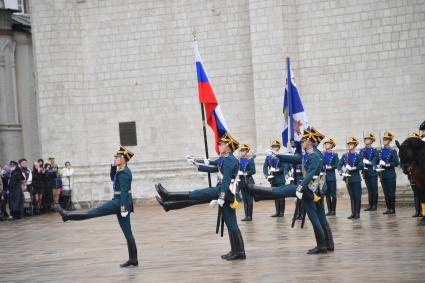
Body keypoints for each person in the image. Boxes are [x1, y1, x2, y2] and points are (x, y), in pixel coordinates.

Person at [155, 133, 246, 261]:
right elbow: (213, 166)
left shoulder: (230, 160)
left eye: (222, 144)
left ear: (229, 147)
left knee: (197, 194)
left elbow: (226, 180)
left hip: (224, 191)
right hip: (224, 192)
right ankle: (237, 251)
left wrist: (221, 196)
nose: (219, 145)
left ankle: (168, 195)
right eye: (219, 143)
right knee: (231, 223)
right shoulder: (224, 158)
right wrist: (195, 162)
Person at [248, 127, 334, 254]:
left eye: (303, 140)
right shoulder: (312, 154)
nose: (301, 143)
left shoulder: (315, 155)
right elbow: (295, 159)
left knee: (287, 193)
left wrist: (300, 187)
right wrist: (277, 155)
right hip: (314, 189)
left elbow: (310, 173)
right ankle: (328, 244)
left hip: (311, 190)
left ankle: (322, 245)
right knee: (320, 215)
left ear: (310, 141)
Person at [58, 146, 138, 267]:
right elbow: (113, 178)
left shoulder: (125, 172)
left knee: (92, 213)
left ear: (123, 159)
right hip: (120, 202)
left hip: (119, 202)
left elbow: (125, 193)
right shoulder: (120, 170)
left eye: (117, 157)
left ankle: (67, 215)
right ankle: (133, 259)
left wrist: (123, 208)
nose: (115, 158)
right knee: (128, 232)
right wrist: (113, 166)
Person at [337, 137, 364, 219]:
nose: (349, 145)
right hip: (348, 178)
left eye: (351, 144)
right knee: (352, 196)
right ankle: (353, 213)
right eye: (349, 144)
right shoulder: (345, 155)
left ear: (355, 145)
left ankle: (357, 214)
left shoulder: (358, 156)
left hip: (356, 178)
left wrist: (352, 168)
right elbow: (339, 165)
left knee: (357, 196)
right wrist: (341, 172)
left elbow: (361, 166)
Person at [263, 140, 289, 217]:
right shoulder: (268, 157)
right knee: (275, 195)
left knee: (281, 195)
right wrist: (267, 174)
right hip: (273, 178)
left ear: (278, 148)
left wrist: (277, 170)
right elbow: (265, 167)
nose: (274, 148)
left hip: (280, 178)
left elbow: (284, 167)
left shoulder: (281, 157)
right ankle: (277, 211)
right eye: (273, 146)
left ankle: (281, 212)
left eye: (276, 146)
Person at [378, 132, 400, 215]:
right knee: (386, 192)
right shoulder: (380, 151)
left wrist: (386, 164)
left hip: (390, 175)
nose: (384, 140)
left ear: (390, 140)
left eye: (386, 139)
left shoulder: (393, 151)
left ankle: (392, 209)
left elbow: (396, 163)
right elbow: (376, 161)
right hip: (383, 175)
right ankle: (388, 208)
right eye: (384, 139)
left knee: (391, 192)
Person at [360, 133, 379, 211]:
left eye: (368, 139)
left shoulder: (374, 150)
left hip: (373, 172)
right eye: (365, 139)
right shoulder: (362, 150)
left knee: (374, 189)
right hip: (366, 172)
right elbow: (359, 159)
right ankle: (370, 205)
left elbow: (375, 160)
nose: (366, 140)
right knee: (369, 190)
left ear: (372, 141)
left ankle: (374, 205)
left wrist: (368, 162)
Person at [238, 144, 256, 221]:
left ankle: (250, 216)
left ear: (247, 151)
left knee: (249, 199)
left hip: (248, 181)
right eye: (241, 151)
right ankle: (246, 216)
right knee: (244, 199)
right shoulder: (238, 160)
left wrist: (245, 173)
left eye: (243, 151)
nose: (241, 152)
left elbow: (253, 171)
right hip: (241, 181)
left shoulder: (250, 160)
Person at [322, 138, 339, 216]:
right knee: (327, 194)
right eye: (325, 144)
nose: (326, 145)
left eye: (328, 144)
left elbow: (337, 165)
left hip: (331, 177)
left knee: (333, 194)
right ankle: (329, 210)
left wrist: (331, 167)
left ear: (332, 145)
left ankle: (333, 210)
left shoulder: (334, 155)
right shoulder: (323, 155)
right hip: (325, 177)